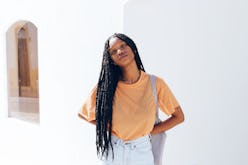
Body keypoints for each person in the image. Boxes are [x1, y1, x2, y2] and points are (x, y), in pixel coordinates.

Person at [78, 33, 184, 165]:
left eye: (123, 46)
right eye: (114, 51)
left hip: (141, 152)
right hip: (114, 151)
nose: (120, 51)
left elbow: (178, 116)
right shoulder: (107, 87)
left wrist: (149, 131)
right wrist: (108, 126)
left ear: (133, 48)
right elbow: (84, 114)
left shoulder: (155, 83)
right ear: (112, 60)